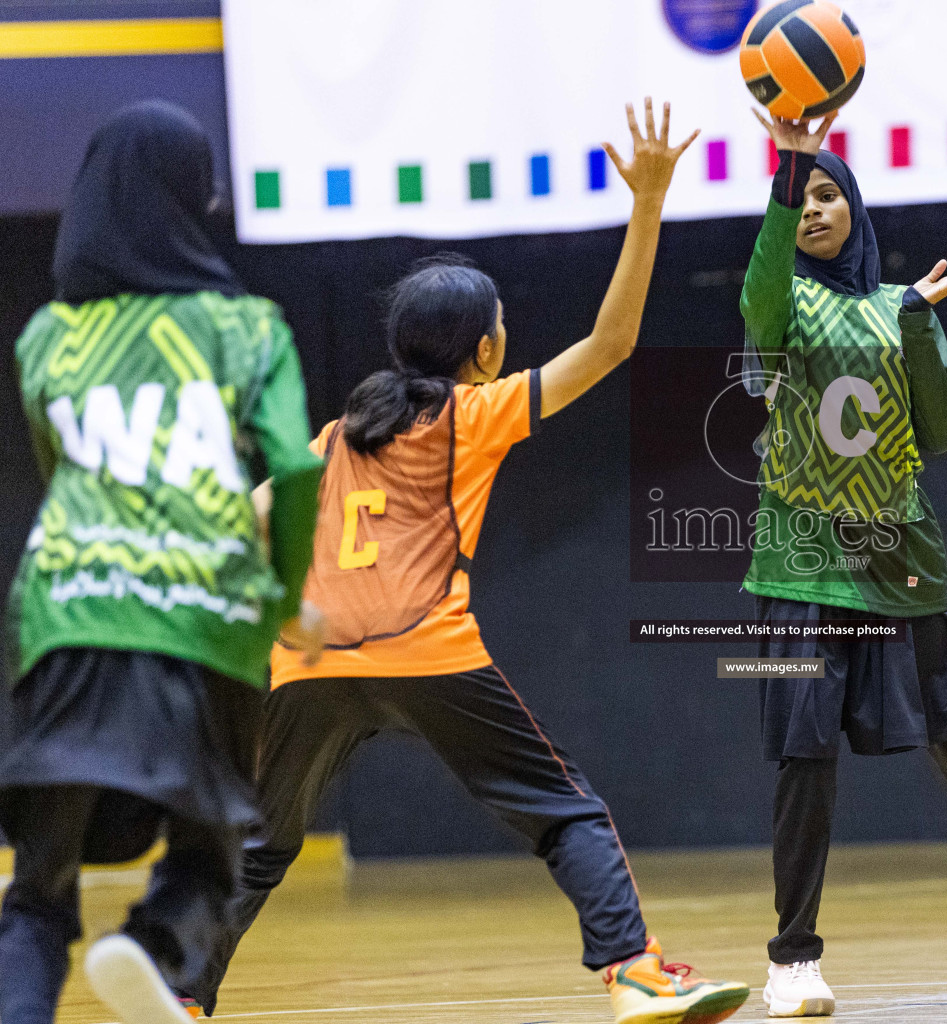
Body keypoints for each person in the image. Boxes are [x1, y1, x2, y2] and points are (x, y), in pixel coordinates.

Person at [184, 100, 750, 1024]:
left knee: (259, 847)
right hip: (429, 652)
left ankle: (183, 994)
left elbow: (239, 527)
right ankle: (636, 974)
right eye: (501, 331)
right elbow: (611, 345)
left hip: (312, 664)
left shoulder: (333, 437)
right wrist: (647, 202)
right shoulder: (473, 413)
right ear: (484, 349)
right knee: (567, 812)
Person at [0, 101, 326, 1024]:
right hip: (202, 614)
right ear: (195, 199)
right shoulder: (247, 328)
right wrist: (285, 597)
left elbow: (60, 469)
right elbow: (298, 465)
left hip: (65, 613)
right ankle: (150, 955)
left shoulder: (45, 339)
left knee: (35, 895)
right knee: (209, 854)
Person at [740, 111, 947, 1018]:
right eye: (801, 195)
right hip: (800, 559)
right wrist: (791, 160)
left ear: (858, 211)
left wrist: (914, 319)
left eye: (829, 192)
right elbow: (765, 293)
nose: (812, 207)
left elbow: (944, 429)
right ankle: (792, 959)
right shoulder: (778, 305)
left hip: (899, 552)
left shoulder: (898, 307)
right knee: (803, 750)